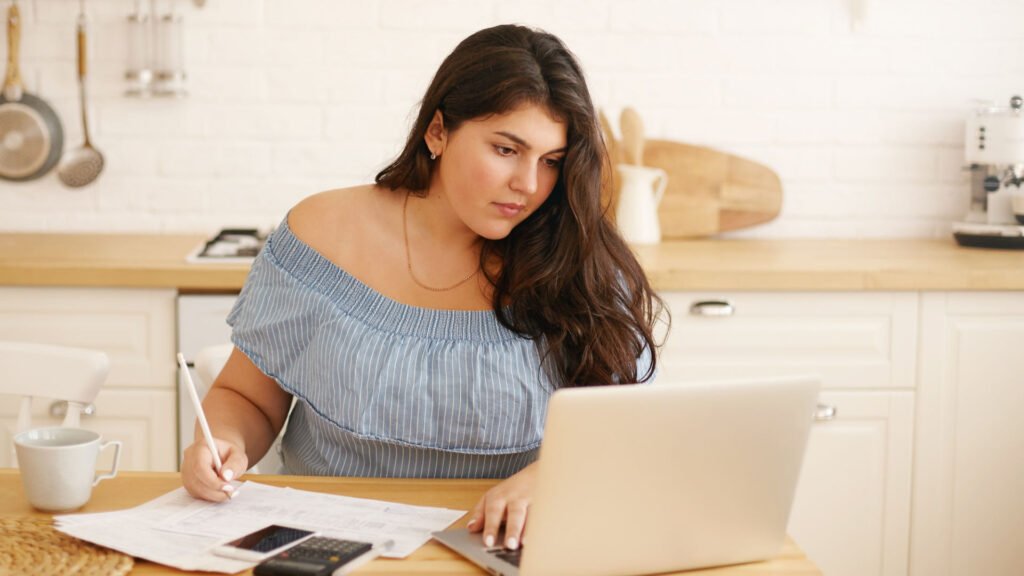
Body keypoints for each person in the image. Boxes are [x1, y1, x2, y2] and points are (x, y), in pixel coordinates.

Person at [181, 23, 664, 553]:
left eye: (552, 162)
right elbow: (247, 397)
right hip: (326, 539)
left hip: (503, 546)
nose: (529, 185)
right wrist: (222, 440)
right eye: (506, 149)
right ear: (437, 132)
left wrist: (551, 476)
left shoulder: (580, 261)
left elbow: (626, 432)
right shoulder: (322, 232)